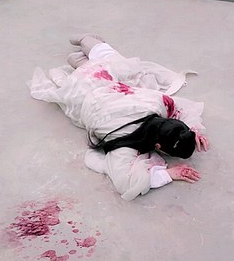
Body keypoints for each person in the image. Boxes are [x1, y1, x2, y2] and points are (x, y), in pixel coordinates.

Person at [28, 34, 209, 201]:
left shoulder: (157, 103)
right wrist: (169, 174)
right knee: (90, 69)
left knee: (115, 62)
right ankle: (81, 53)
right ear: (158, 146)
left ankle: (85, 46)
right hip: (80, 93)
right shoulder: (124, 143)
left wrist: (191, 130)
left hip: (102, 80)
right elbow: (126, 184)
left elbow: (184, 108)